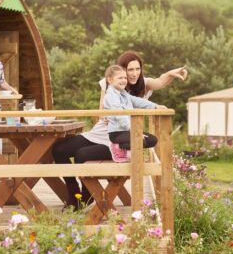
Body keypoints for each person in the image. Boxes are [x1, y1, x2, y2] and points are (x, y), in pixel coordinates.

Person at [51, 50, 187, 209]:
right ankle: (74, 192)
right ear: (121, 69)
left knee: (82, 155)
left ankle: (86, 195)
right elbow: (102, 110)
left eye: (138, 69)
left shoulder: (142, 85)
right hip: (103, 131)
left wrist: (170, 73)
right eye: (130, 70)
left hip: (121, 137)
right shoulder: (110, 85)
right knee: (59, 150)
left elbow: (160, 82)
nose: (134, 73)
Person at [104, 65, 166, 162]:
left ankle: (122, 148)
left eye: (125, 78)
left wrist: (155, 106)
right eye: (120, 78)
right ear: (110, 80)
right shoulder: (110, 96)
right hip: (117, 133)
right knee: (138, 139)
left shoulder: (123, 93)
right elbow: (120, 115)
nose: (124, 80)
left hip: (127, 131)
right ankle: (118, 147)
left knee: (152, 140)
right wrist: (133, 131)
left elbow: (137, 101)